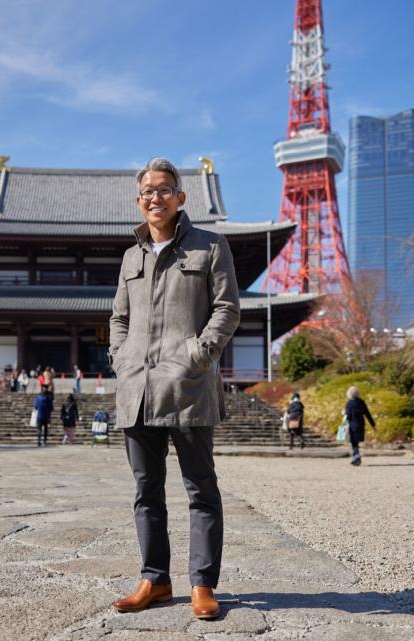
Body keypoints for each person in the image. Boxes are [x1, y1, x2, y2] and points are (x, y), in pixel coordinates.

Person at [109, 157, 240, 621]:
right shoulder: (131, 257)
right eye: (146, 190)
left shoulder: (210, 246)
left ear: (180, 198)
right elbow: (119, 317)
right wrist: (120, 358)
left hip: (187, 387)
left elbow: (227, 309)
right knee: (147, 492)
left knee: (200, 489)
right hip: (137, 391)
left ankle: (202, 583)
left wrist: (198, 354)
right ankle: (155, 579)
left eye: (164, 189)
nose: (154, 196)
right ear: (139, 199)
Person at [344, 386, 377, 466]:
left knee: (354, 443)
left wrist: (343, 413)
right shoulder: (362, 402)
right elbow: (367, 414)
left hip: (353, 425)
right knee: (356, 443)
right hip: (361, 425)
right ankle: (355, 458)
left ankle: (357, 458)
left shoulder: (349, 403)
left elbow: (348, 416)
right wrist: (373, 425)